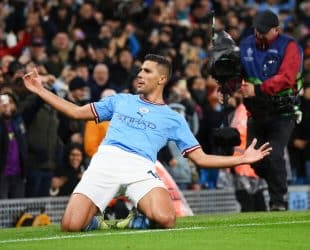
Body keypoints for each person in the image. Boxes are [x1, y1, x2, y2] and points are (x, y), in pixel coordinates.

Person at [23, 54, 271, 232]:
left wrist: (242, 158)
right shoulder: (120, 100)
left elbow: (200, 158)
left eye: (147, 71)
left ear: (162, 79)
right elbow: (76, 112)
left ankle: (137, 219)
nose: (140, 75)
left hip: (140, 168)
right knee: (70, 226)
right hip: (105, 162)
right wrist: (41, 90)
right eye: (140, 70)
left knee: (166, 219)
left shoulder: (174, 117)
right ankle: (95, 221)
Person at [239, 10, 303, 211]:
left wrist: (257, 89)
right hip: (256, 113)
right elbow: (237, 72)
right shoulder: (246, 44)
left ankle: (279, 202)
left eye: (264, 32)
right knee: (254, 160)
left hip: (282, 112)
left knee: (274, 155)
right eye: (257, 30)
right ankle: (278, 185)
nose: (259, 35)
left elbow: (287, 78)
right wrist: (227, 85)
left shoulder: (289, 46)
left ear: (277, 29)